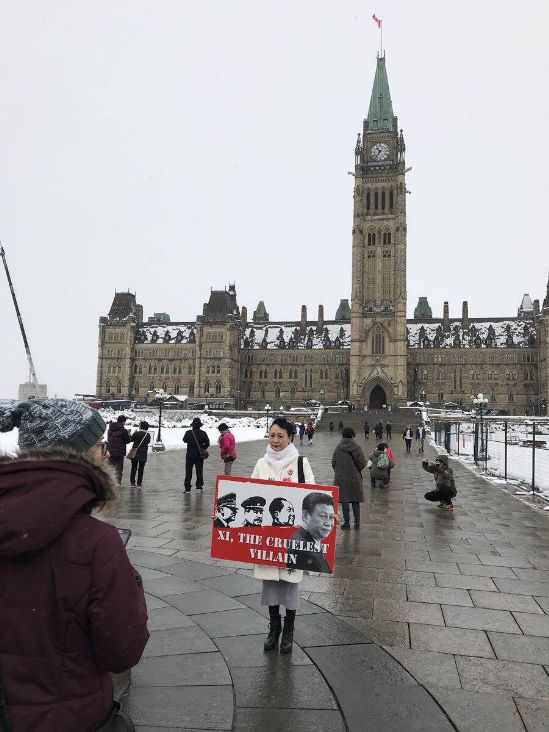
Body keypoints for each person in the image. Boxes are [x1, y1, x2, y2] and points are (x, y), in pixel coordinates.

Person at [0, 398, 149, 732]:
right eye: (98, 444)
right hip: (70, 714)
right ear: (78, 454)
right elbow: (122, 650)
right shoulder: (98, 543)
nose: (106, 452)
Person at [251, 417, 315, 654]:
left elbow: (314, 495)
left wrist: (329, 512)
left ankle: (288, 629)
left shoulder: (301, 463)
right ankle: (274, 627)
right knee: (270, 584)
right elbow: (247, 496)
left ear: (290, 438)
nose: (275, 440)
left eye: (280, 436)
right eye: (272, 435)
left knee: (289, 584)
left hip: (292, 539)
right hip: (268, 539)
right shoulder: (261, 463)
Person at [289, 493, 335, 571]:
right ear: (305, 516)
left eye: (331, 517)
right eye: (323, 516)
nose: (328, 523)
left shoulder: (307, 539)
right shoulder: (305, 551)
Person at [332, 427, 366, 530]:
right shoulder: (357, 447)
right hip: (354, 478)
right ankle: (357, 524)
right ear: (352, 435)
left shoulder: (338, 448)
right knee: (355, 500)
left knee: (344, 500)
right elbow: (362, 463)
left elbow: (333, 462)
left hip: (341, 478)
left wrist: (340, 471)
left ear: (342, 435)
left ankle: (346, 524)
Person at [183, 417, 210, 493]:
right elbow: (207, 443)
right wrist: (203, 448)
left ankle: (187, 488)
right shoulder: (203, 433)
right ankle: (199, 487)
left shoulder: (188, 432)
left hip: (189, 456)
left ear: (192, 425)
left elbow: (184, 440)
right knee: (199, 471)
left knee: (188, 471)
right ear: (200, 425)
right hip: (199, 456)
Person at [106, 414, 131, 483]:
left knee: (109, 469)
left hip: (110, 452)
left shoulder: (110, 429)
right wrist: (129, 436)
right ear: (123, 421)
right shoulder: (124, 431)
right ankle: (117, 484)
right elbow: (127, 441)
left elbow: (109, 439)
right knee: (118, 470)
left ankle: (108, 483)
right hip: (119, 453)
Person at [129, 420, 151, 489]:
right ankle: (139, 483)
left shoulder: (137, 433)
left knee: (134, 468)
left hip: (135, 452)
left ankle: (132, 483)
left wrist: (133, 434)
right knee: (141, 469)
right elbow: (148, 442)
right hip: (143, 454)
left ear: (141, 426)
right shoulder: (148, 435)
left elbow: (131, 440)